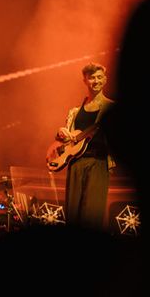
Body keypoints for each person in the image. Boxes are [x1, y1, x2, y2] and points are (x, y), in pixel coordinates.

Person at [55, 62, 113, 229]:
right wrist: (61, 134)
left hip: (98, 163)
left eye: (99, 77)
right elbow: (64, 142)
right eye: (92, 78)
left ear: (105, 79)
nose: (96, 81)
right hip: (75, 164)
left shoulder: (111, 108)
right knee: (73, 216)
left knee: (92, 216)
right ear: (85, 81)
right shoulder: (74, 111)